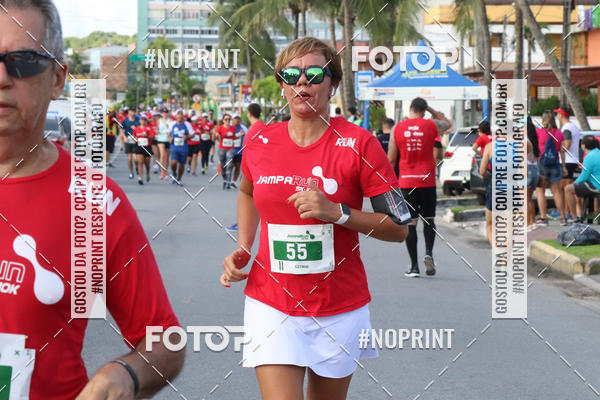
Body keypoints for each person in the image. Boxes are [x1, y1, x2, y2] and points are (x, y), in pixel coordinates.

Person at [0, 1, 184, 398]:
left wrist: (125, 374)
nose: (1, 77)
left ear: (57, 79)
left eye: (23, 61)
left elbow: (165, 340)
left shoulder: (93, 203)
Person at [220, 37, 411, 400]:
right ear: (282, 84)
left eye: (314, 74)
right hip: (271, 302)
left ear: (332, 84)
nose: (302, 82)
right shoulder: (260, 140)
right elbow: (246, 191)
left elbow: (399, 228)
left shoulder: (360, 144)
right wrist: (244, 245)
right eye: (291, 75)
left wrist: (338, 213)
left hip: (339, 307)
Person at [388, 98, 451, 278]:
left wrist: (389, 185)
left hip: (407, 182)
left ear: (410, 108)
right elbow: (448, 124)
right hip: (427, 180)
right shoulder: (431, 125)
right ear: (424, 110)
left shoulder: (397, 128)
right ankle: (429, 253)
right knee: (429, 219)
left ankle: (414, 267)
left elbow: (391, 159)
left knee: (411, 223)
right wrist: (431, 109)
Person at [535, 110, 567, 225]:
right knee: (557, 192)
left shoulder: (538, 132)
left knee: (540, 191)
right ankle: (562, 218)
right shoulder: (559, 133)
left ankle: (543, 218)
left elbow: (534, 149)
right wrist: (564, 166)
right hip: (555, 163)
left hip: (541, 163)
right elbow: (562, 151)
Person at [565, 136, 600, 223]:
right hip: (595, 183)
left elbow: (584, 176)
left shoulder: (589, 156)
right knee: (579, 188)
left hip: (595, 186)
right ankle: (583, 215)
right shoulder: (597, 153)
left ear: (583, 146)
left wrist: (575, 183)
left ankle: (574, 217)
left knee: (568, 189)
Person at [555, 107, 581, 221]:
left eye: (557, 114)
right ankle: (568, 212)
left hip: (567, 161)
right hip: (573, 160)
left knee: (563, 189)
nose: (557, 116)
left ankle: (567, 213)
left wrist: (559, 150)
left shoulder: (566, 128)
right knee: (567, 189)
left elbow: (568, 143)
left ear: (561, 115)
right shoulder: (574, 126)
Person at [168, 108, 193, 186]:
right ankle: (174, 173)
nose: (180, 116)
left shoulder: (187, 124)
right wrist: (169, 138)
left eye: (181, 114)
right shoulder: (172, 124)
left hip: (183, 147)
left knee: (182, 163)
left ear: (183, 116)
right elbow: (168, 132)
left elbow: (193, 134)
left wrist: (187, 137)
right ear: (176, 116)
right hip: (174, 147)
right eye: (178, 114)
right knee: (173, 162)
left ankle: (179, 178)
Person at [526, 116, 541, 231]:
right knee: (529, 199)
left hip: (527, 169)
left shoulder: (524, 141)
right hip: (535, 169)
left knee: (525, 200)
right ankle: (532, 222)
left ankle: (528, 223)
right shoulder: (533, 141)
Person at [215, 113, 236, 189]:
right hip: (222, 149)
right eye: (226, 119)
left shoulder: (233, 128)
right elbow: (216, 136)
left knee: (229, 164)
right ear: (223, 120)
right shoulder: (220, 128)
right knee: (223, 165)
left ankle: (228, 181)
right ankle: (225, 179)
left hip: (230, 148)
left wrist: (239, 136)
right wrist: (217, 136)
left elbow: (234, 137)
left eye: (229, 119)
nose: (228, 121)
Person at [132, 115, 155, 185]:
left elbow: (153, 137)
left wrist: (147, 135)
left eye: (145, 120)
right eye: (142, 119)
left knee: (147, 164)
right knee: (140, 162)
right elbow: (133, 137)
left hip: (147, 147)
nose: (143, 121)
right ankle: (140, 178)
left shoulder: (149, 128)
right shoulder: (137, 128)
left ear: (146, 121)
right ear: (140, 121)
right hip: (139, 147)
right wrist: (134, 139)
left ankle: (147, 172)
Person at [120, 106, 140, 179]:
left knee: (136, 159)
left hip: (136, 141)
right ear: (128, 112)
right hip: (128, 140)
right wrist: (124, 137)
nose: (133, 113)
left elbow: (141, 129)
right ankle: (131, 172)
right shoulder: (125, 121)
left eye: (134, 111)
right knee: (129, 159)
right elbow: (121, 130)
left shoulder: (138, 120)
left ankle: (137, 167)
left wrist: (136, 129)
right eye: (131, 111)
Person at [231, 113, 247, 188]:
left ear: (240, 120)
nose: (237, 120)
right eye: (235, 118)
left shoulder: (243, 128)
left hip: (239, 151)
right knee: (230, 165)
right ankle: (227, 180)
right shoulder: (230, 127)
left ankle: (233, 182)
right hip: (230, 150)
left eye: (238, 119)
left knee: (237, 166)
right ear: (232, 120)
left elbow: (248, 137)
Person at [156, 108, 171, 179]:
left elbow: (172, 129)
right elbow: (156, 129)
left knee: (167, 157)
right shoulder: (159, 120)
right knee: (162, 155)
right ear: (161, 113)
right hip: (160, 139)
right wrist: (156, 131)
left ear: (168, 113)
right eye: (163, 112)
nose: (164, 114)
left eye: (166, 112)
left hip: (168, 139)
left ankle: (165, 172)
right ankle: (162, 172)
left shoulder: (170, 121)